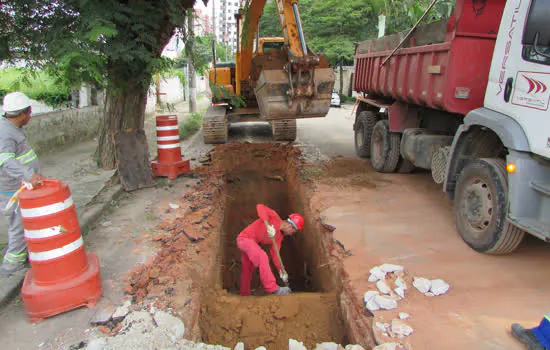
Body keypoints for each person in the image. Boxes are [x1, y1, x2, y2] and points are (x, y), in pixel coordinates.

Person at [0, 92, 44, 277]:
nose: (30, 115)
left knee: (26, 221)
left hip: (21, 186)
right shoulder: (5, 133)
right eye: (29, 112)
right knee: (20, 224)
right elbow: (6, 161)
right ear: (22, 114)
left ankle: (24, 254)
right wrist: (28, 174)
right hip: (13, 188)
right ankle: (12, 264)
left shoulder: (12, 127)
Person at [237, 204, 304, 296]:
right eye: (293, 231)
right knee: (262, 256)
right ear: (290, 226)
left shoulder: (279, 237)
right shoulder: (274, 217)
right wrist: (267, 224)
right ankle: (272, 288)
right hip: (245, 239)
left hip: (252, 243)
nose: (292, 234)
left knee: (248, 268)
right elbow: (260, 207)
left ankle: (244, 294)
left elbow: (275, 254)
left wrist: (281, 270)